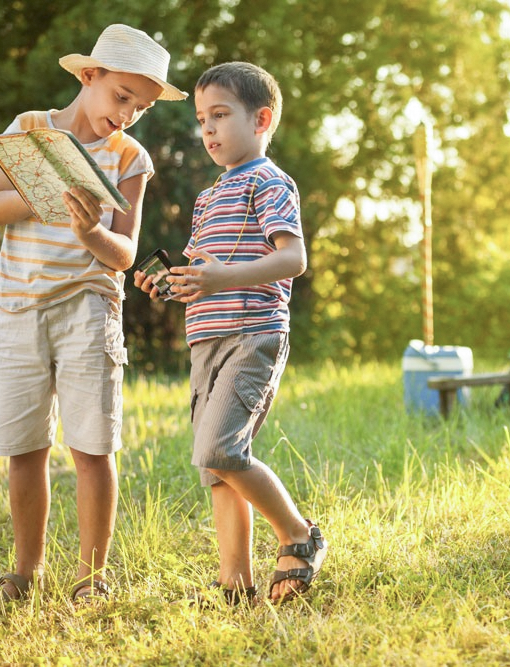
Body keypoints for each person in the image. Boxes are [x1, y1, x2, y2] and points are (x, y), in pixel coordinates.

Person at [0, 24, 187, 604]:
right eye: (122, 97)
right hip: (18, 305)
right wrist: (47, 194)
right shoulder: (31, 130)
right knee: (24, 448)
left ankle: (91, 580)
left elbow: (122, 254)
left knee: (93, 448)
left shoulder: (129, 157)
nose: (128, 115)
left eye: (141, 107)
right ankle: (25, 573)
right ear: (89, 76)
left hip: (88, 311)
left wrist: (89, 227)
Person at [134, 61, 326, 605]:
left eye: (220, 115)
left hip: (253, 334)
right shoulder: (207, 196)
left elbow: (293, 258)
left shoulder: (269, 181)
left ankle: (297, 533)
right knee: (216, 469)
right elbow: (206, 277)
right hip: (207, 339)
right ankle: (233, 585)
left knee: (220, 449)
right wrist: (173, 285)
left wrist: (223, 276)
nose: (208, 129)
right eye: (201, 119)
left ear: (261, 118)